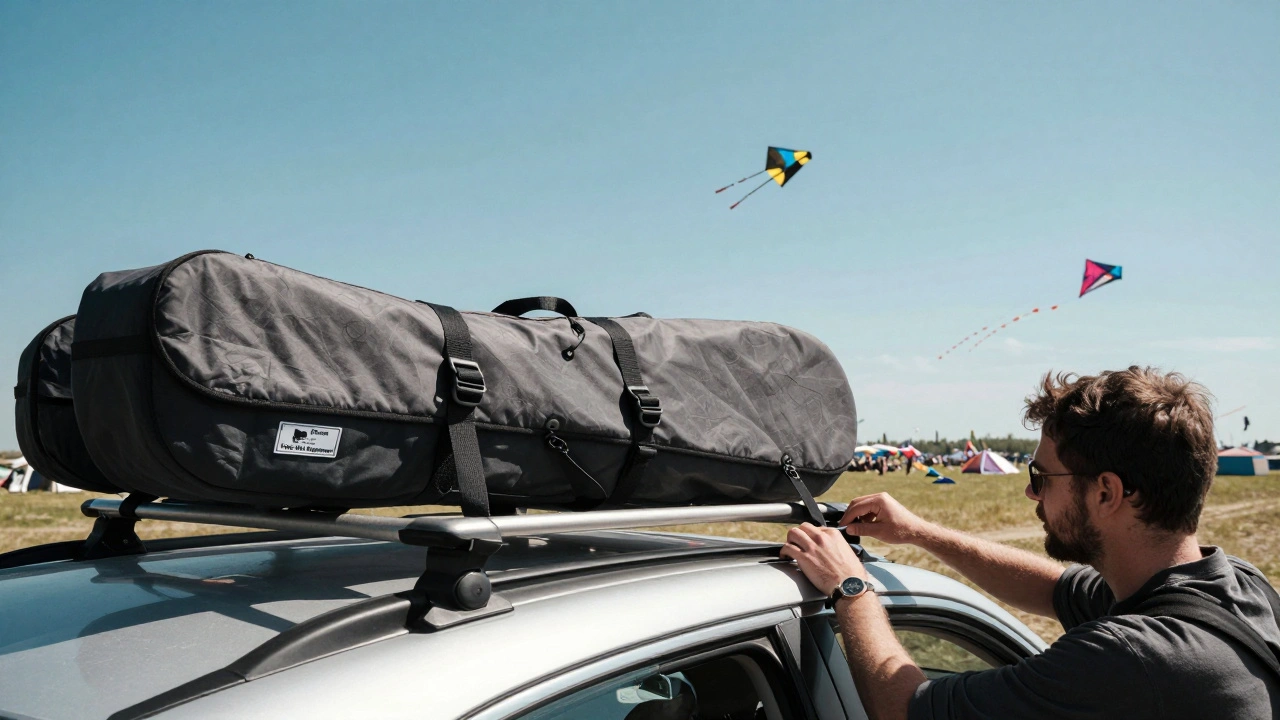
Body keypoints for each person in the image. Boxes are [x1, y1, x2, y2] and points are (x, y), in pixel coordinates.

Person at [782, 367, 1280, 719]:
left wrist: (851, 587)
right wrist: (919, 532)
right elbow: (1056, 588)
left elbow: (904, 710)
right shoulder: (1236, 586)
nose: (1029, 490)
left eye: (1041, 475)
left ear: (1106, 492)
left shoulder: (1130, 658)